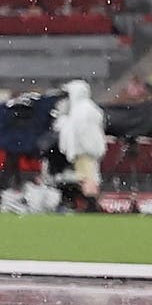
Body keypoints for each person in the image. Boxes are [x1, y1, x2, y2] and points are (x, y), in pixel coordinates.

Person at [54, 80, 107, 210]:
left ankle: (92, 205)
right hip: (87, 151)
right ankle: (89, 204)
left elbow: (80, 133)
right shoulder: (88, 108)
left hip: (84, 151)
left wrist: (75, 149)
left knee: (87, 178)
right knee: (88, 177)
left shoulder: (81, 110)